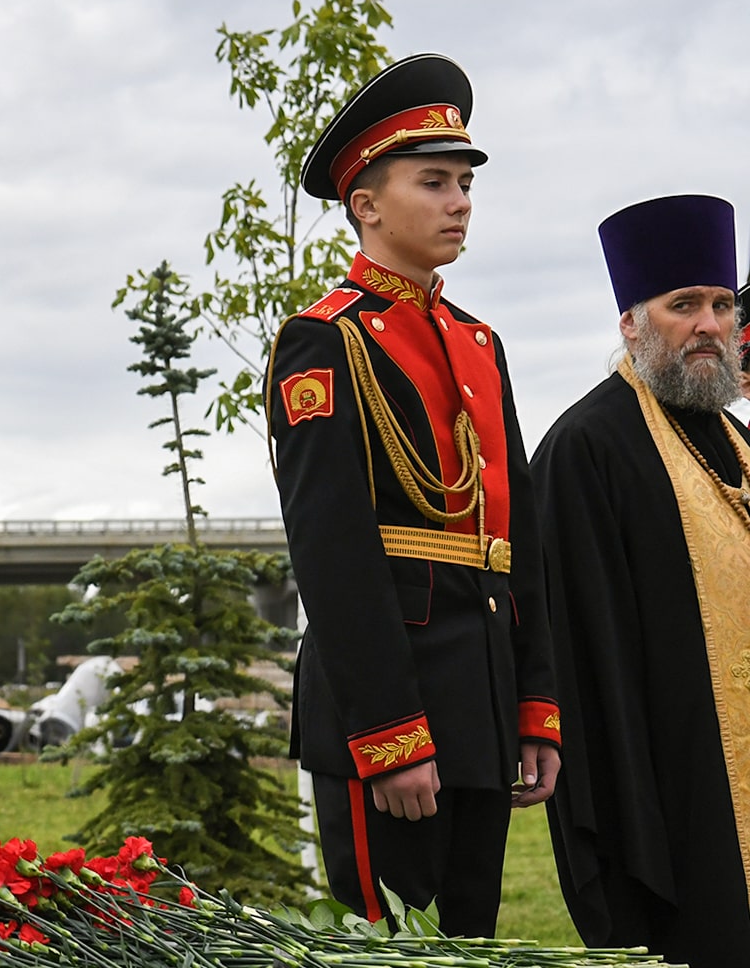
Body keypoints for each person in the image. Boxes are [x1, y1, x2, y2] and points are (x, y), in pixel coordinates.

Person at [264, 53, 561, 934]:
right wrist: (392, 732)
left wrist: (535, 709)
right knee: (383, 946)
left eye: (465, 182)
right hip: (390, 711)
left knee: (469, 944)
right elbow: (334, 553)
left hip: (482, 698)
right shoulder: (324, 342)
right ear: (365, 203)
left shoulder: (478, 343)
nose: (460, 201)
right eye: (434, 181)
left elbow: (517, 540)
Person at [533, 195, 750, 967]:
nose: (708, 325)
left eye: (721, 305)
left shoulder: (737, 438)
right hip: (676, 806)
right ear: (630, 321)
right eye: (682, 304)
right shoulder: (583, 449)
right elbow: (582, 658)